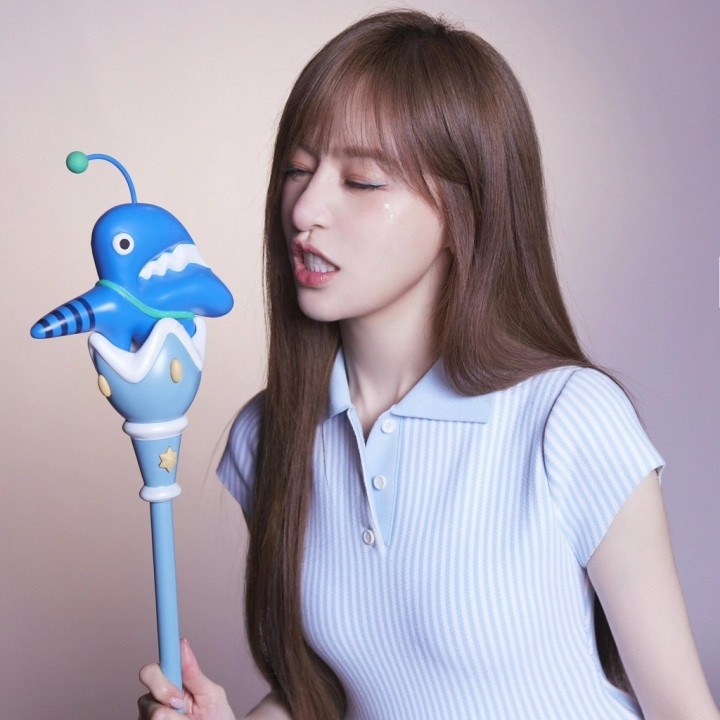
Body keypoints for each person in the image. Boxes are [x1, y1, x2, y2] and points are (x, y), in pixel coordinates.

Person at [138, 9, 719, 720]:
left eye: (362, 181)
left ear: (464, 210)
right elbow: (338, 693)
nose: (305, 209)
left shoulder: (568, 419)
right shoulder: (269, 436)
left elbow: (682, 709)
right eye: (297, 169)